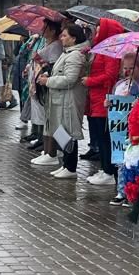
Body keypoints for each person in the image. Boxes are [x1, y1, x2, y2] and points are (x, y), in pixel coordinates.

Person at [84, 17, 126, 186]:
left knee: (104, 137)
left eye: (100, 29)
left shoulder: (111, 51)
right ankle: (105, 167)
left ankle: (109, 170)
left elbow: (110, 75)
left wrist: (90, 81)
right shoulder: (100, 49)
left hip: (104, 98)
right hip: (95, 98)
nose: (97, 32)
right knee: (99, 135)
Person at [42, 22, 88, 178]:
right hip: (59, 98)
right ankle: (66, 165)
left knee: (68, 131)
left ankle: (71, 166)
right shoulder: (67, 52)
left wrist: (48, 82)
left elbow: (70, 79)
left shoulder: (75, 55)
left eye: (65, 35)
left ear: (73, 38)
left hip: (68, 99)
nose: (61, 38)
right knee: (60, 131)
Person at [109, 54, 139, 204]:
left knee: (133, 161)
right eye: (125, 68)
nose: (127, 71)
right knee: (121, 160)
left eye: (131, 68)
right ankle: (121, 191)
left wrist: (135, 95)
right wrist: (109, 104)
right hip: (120, 128)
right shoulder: (120, 84)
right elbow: (114, 101)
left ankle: (133, 192)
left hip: (135, 129)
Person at [28, 20, 65, 165]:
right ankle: (52, 148)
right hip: (43, 84)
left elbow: (54, 65)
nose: (43, 30)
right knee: (49, 119)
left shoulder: (56, 45)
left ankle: (57, 149)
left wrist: (42, 63)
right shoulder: (46, 43)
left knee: (54, 120)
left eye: (46, 28)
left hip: (51, 84)